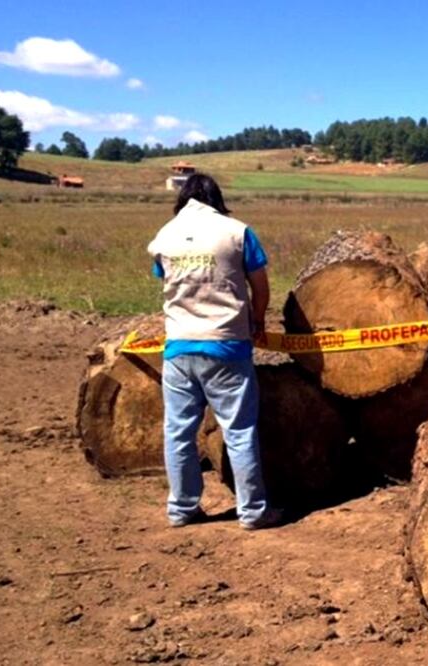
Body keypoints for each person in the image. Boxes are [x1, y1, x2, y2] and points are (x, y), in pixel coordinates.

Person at [147, 173, 281, 530]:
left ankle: (181, 509)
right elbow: (261, 287)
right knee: (238, 432)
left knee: (177, 432)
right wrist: (257, 320)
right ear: (216, 198)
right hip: (227, 346)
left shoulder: (165, 236)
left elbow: (165, 279)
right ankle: (252, 511)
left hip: (178, 348)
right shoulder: (237, 232)